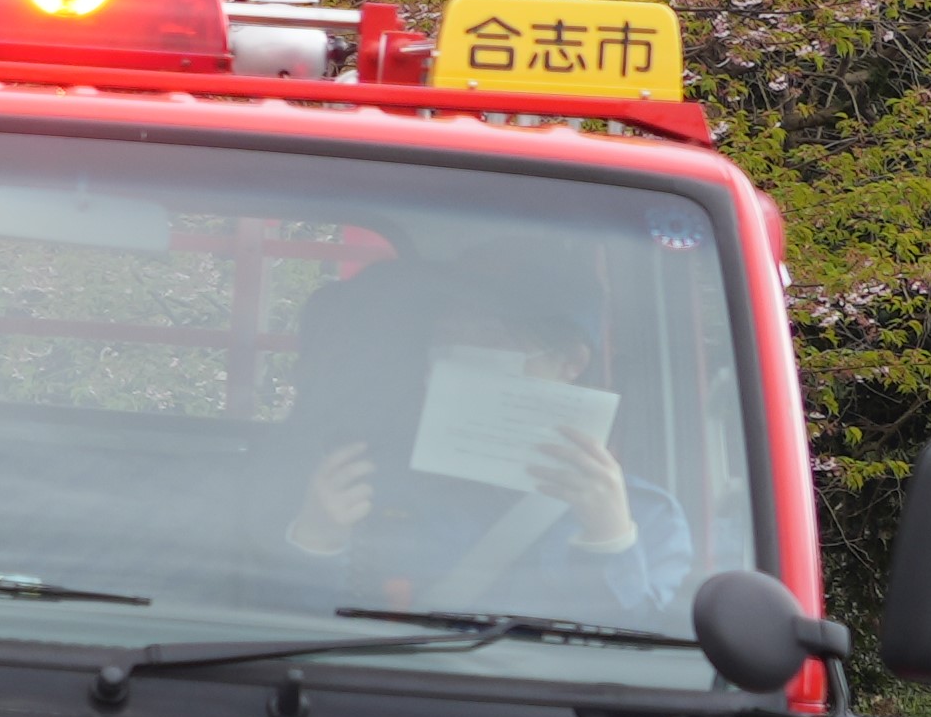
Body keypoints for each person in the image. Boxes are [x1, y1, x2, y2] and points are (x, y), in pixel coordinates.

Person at [265, 269, 692, 630]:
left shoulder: (648, 517)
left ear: (570, 363)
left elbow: (636, 673)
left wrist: (609, 543)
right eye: (446, 338)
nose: (455, 356)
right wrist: (317, 541)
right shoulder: (366, 488)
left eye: (489, 335)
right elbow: (296, 639)